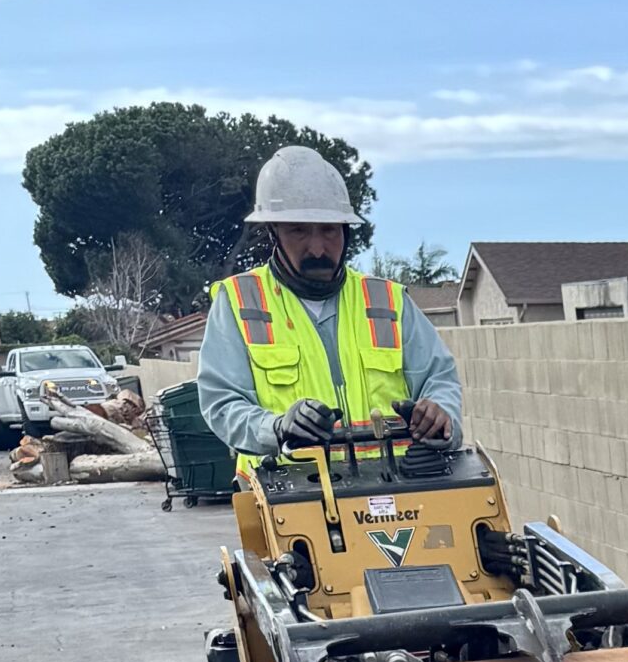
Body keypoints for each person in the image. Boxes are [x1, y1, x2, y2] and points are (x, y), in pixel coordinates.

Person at [197, 145, 463, 467]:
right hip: (291, 500)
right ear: (273, 233)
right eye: (299, 231)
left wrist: (440, 413)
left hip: (394, 497)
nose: (318, 248)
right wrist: (276, 428)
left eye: (329, 230)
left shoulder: (386, 301)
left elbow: (439, 378)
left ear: (346, 231)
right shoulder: (240, 302)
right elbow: (222, 403)